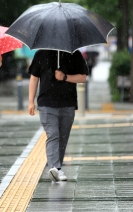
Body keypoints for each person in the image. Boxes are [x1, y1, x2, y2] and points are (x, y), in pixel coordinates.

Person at [28, 50, 88, 182]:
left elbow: (83, 77)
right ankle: (55, 168)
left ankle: (57, 167)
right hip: (46, 104)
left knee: (63, 137)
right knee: (53, 134)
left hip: (68, 104)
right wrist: (31, 101)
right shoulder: (41, 54)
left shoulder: (74, 54)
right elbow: (34, 77)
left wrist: (65, 77)